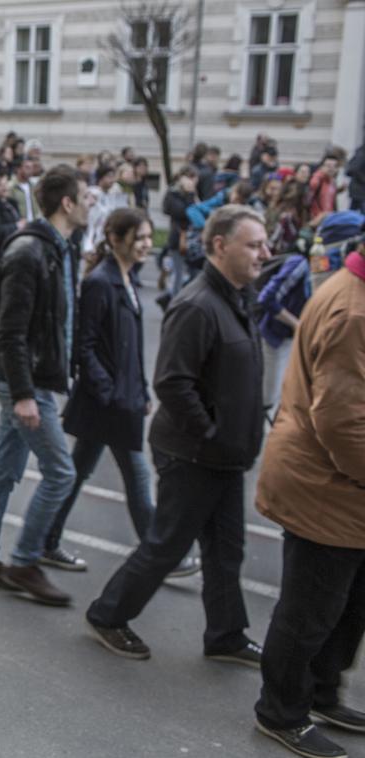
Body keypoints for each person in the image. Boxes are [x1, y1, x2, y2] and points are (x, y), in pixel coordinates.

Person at [86, 205, 270, 662]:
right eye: (253, 244)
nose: (264, 253)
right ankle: (108, 615)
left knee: (227, 551)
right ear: (220, 246)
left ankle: (225, 634)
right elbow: (172, 382)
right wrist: (209, 434)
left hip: (224, 455)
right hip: (193, 454)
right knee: (166, 545)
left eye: (264, 243)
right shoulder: (197, 304)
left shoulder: (235, 296)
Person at [40, 208, 200, 577]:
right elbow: (86, 345)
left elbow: (131, 346)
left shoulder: (128, 279)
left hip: (121, 398)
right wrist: (110, 391)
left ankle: (46, 540)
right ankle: (160, 553)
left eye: (148, 238)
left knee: (77, 472)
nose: (147, 245)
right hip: (107, 401)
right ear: (116, 239)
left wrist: (141, 389)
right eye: (140, 238)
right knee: (136, 474)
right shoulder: (100, 282)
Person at [253, 248, 365, 758]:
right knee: (309, 610)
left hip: (342, 488)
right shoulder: (354, 311)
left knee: (347, 605)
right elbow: (342, 422)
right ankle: (282, 712)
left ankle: (321, 693)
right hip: (326, 487)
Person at [0, 165, 92, 607]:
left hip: (34, 378)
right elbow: (11, 331)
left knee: (4, 472)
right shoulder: (28, 252)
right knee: (61, 472)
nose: (92, 202)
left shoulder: (57, 248)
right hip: (26, 382)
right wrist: (22, 394)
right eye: (86, 195)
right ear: (67, 203)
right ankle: (24, 561)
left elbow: (58, 321)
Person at [257, 246, 311, 422]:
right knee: (267, 398)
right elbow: (266, 298)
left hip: (295, 342)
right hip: (276, 338)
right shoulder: (300, 264)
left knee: (283, 396)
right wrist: (297, 324)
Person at [308, 153, 341, 225]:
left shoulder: (333, 182)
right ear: (322, 167)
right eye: (328, 166)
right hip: (317, 221)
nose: (331, 168)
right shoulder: (317, 180)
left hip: (329, 220)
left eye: (334, 166)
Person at [10, 156, 39, 224]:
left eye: (32, 168)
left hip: (34, 224)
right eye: (27, 167)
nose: (30, 171)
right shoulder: (11, 187)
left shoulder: (34, 186)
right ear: (19, 169)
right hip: (20, 225)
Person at [347, 143, 365, 212]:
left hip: (358, 190)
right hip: (359, 190)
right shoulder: (362, 153)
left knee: (353, 211)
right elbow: (354, 169)